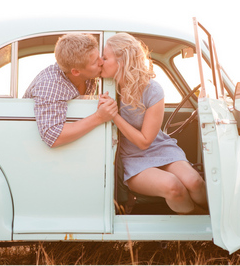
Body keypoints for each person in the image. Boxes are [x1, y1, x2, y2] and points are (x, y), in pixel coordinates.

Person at [100, 33, 207, 214]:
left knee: (195, 182)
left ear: (122, 61)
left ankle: (217, 220)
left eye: (105, 57)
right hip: (130, 159)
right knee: (174, 186)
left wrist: (115, 117)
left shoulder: (152, 89)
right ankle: (202, 224)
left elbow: (144, 141)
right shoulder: (105, 87)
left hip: (158, 147)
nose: (100, 62)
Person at [24, 33, 118, 148]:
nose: (101, 62)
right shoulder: (50, 84)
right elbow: (53, 136)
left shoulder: (89, 74)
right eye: (94, 62)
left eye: (99, 56)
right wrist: (99, 117)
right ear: (76, 72)